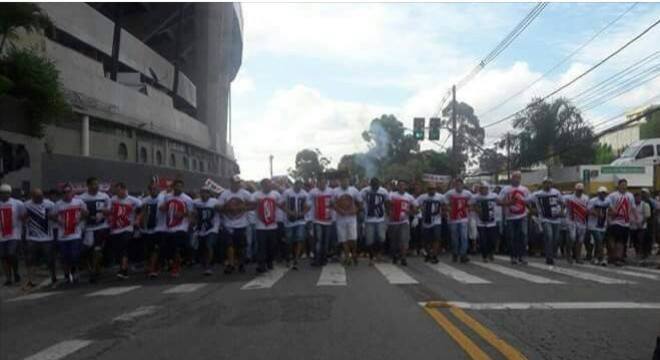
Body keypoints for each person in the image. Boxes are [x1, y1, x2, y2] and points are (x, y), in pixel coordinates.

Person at [53, 184, 88, 283]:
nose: (67, 194)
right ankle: (68, 274)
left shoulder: (78, 202)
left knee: (74, 254)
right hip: (63, 235)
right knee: (65, 256)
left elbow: (86, 213)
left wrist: (79, 219)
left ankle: (74, 271)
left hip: (75, 233)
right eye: (64, 192)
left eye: (69, 191)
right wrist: (59, 221)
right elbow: (51, 215)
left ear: (72, 193)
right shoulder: (58, 204)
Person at [23, 188, 57, 288]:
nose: (40, 198)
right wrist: (25, 218)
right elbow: (22, 218)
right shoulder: (26, 205)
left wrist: (52, 217)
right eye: (37, 197)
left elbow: (56, 217)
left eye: (41, 196)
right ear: (32, 196)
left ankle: (53, 277)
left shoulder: (49, 204)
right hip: (32, 237)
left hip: (47, 237)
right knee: (30, 259)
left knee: (50, 259)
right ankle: (30, 280)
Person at [79, 177, 111, 283]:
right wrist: (85, 216)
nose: (96, 186)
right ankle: (93, 267)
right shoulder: (81, 198)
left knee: (98, 250)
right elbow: (79, 213)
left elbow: (109, 210)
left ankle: (94, 271)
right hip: (88, 228)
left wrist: (105, 212)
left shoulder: (104, 196)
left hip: (101, 227)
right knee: (87, 249)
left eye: (97, 184)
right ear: (88, 185)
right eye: (93, 184)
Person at [160, 179, 193, 277]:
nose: (178, 188)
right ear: (173, 187)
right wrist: (162, 207)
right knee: (168, 248)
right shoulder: (168, 196)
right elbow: (165, 207)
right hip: (170, 226)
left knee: (176, 247)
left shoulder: (187, 199)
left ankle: (176, 266)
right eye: (176, 186)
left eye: (180, 186)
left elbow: (191, 213)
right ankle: (177, 262)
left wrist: (183, 214)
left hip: (181, 226)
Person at [108, 182, 142, 279]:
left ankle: (123, 269)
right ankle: (124, 268)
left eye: (119, 190)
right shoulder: (113, 200)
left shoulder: (133, 200)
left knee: (124, 247)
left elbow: (140, 211)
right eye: (116, 191)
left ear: (124, 189)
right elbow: (110, 210)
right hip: (115, 228)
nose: (117, 192)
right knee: (118, 249)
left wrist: (137, 220)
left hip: (127, 227)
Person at [218, 176, 252, 273]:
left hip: (241, 224)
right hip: (228, 223)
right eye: (235, 183)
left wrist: (243, 207)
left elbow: (253, 204)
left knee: (241, 246)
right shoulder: (225, 194)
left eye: (238, 183)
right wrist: (228, 208)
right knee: (229, 245)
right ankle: (231, 264)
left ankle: (241, 264)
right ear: (231, 183)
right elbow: (218, 207)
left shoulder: (245, 193)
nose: (237, 184)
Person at [498, 171, 531, 265]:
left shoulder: (525, 189)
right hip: (510, 217)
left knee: (523, 236)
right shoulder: (505, 189)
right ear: (511, 178)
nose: (516, 179)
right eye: (514, 177)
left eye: (518, 177)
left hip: (522, 215)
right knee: (512, 237)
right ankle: (514, 256)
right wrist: (508, 203)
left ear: (520, 179)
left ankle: (523, 256)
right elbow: (498, 202)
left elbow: (529, 201)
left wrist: (526, 204)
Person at [531, 177, 563, 265]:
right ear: (543, 184)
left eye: (549, 183)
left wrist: (561, 211)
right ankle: (549, 257)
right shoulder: (537, 194)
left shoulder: (556, 192)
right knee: (549, 236)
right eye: (546, 183)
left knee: (556, 239)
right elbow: (527, 201)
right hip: (545, 219)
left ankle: (552, 253)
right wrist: (532, 210)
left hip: (556, 219)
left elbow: (562, 202)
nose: (548, 185)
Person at [252, 178, 281, 273]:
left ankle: (270, 261)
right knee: (261, 246)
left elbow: (282, 204)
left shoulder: (275, 194)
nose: (269, 186)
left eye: (270, 184)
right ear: (262, 185)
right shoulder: (256, 195)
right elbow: (251, 205)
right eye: (267, 184)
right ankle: (261, 264)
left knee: (272, 245)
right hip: (260, 225)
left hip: (273, 225)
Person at [332, 175, 362, 266]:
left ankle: (354, 254)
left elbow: (361, 204)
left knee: (353, 239)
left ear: (348, 181)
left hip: (351, 219)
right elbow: (332, 203)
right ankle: (347, 257)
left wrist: (355, 211)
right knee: (343, 239)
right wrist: (339, 210)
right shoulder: (335, 191)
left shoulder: (354, 190)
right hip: (340, 219)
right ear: (340, 181)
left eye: (346, 180)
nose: (344, 182)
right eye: (342, 180)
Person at [191, 186, 221, 275]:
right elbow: (192, 213)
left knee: (209, 245)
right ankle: (205, 263)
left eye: (206, 192)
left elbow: (221, 209)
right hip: (200, 229)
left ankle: (208, 266)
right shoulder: (196, 202)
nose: (204, 195)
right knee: (202, 247)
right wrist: (193, 220)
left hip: (212, 228)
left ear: (209, 194)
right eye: (202, 192)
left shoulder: (214, 202)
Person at [281, 180, 309, 270]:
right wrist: (289, 212)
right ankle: (288, 257)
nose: (299, 187)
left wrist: (303, 213)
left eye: (300, 185)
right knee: (289, 240)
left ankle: (296, 258)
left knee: (299, 238)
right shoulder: (287, 192)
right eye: (297, 185)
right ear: (294, 185)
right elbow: (281, 204)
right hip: (289, 220)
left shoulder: (304, 193)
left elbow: (308, 206)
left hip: (300, 220)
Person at [0, 184, 25, 286]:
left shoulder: (17, 203)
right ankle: (8, 278)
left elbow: (24, 215)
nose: (5, 195)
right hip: (1, 234)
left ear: (10, 193)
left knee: (11, 253)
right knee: (3, 256)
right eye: (3, 193)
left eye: (7, 193)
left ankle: (15, 271)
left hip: (14, 233)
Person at [361, 177, 389, 265]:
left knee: (381, 237)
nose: (375, 188)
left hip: (380, 219)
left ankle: (379, 255)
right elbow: (359, 201)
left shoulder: (384, 191)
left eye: (376, 186)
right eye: (373, 186)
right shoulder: (364, 191)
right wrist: (362, 211)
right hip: (369, 219)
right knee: (369, 240)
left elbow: (387, 203)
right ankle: (371, 257)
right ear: (370, 185)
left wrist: (387, 215)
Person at [607, 178, 635, 266]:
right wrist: (611, 213)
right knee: (614, 240)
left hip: (626, 222)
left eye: (625, 185)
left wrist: (632, 219)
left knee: (622, 241)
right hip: (615, 221)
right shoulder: (613, 195)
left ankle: (619, 257)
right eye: (622, 184)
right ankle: (614, 256)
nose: (624, 186)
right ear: (618, 185)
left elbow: (632, 208)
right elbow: (608, 206)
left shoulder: (630, 196)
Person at [388, 180, 416, 266]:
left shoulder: (409, 197)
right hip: (393, 222)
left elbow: (415, 208)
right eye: (399, 185)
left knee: (404, 240)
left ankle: (403, 258)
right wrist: (390, 211)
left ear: (405, 186)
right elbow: (387, 205)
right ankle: (395, 255)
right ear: (397, 186)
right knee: (394, 241)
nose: (401, 187)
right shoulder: (392, 195)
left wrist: (410, 212)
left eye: (403, 185)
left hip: (404, 222)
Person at [444, 178, 473, 263]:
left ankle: (463, 254)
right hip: (453, 219)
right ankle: (455, 253)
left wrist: (469, 208)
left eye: (460, 184)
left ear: (462, 185)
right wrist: (448, 208)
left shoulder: (467, 193)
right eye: (457, 184)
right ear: (454, 185)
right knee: (454, 238)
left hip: (464, 218)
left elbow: (471, 202)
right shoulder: (450, 193)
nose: (458, 186)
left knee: (464, 237)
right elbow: (444, 202)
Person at [141, 181, 166, 278]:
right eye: (151, 189)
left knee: (156, 249)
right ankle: (153, 266)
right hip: (149, 228)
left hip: (161, 228)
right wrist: (143, 223)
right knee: (149, 249)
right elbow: (144, 212)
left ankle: (153, 268)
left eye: (155, 189)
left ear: (158, 190)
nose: (153, 191)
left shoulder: (163, 198)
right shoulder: (146, 200)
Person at [308, 177, 334, 266]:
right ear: (317, 183)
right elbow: (308, 204)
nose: (322, 185)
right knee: (318, 240)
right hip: (317, 220)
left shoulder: (331, 191)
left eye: (324, 183)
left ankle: (324, 258)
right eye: (320, 183)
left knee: (326, 241)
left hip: (328, 220)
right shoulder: (313, 192)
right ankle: (317, 259)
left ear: (326, 183)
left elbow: (335, 203)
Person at [416, 182, 445, 264]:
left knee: (436, 238)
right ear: (427, 190)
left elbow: (445, 205)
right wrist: (417, 210)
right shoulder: (422, 197)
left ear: (435, 189)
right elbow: (415, 204)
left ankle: (434, 255)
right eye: (430, 189)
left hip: (436, 221)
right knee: (426, 240)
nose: (432, 191)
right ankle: (428, 254)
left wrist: (444, 211)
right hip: (426, 221)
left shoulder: (440, 197)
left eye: (433, 189)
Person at [471, 181, 498, 262]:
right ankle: (484, 256)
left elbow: (500, 202)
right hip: (481, 222)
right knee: (483, 240)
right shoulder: (475, 197)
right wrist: (477, 209)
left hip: (492, 222)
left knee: (492, 240)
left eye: (485, 188)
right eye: (481, 188)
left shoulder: (493, 196)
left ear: (488, 189)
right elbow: (471, 205)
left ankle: (491, 253)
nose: (483, 190)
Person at [564, 183, 589, 264]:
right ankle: (568, 255)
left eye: (581, 190)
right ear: (575, 190)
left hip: (582, 221)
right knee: (572, 238)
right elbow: (560, 201)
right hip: (571, 220)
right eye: (578, 190)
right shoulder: (569, 198)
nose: (579, 192)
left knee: (580, 240)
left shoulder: (586, 198)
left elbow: (587, 209)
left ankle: (578, 257)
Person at [588, 187, 610, 266]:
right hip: (593, 225)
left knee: (599, 242)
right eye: (601, 193)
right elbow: (589, 210)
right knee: (599, 240)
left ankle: (595, 257)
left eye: (604, 193)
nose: (603, 195)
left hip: (603, 225)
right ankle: (602, 258)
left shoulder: (608, 201)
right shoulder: (593, 201)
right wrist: (597, 214)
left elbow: (610, 210)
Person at [631, 192, 651, 259]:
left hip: (642, 227)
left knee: (640, 240)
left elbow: (646, 216)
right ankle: (638, 253)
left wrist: (641, 224)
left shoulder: (645, 205)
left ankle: (642, 253)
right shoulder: (632, 205)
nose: (637, 199)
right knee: (635, 241)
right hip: (633, 226)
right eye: (636, 198)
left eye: (639, 197)